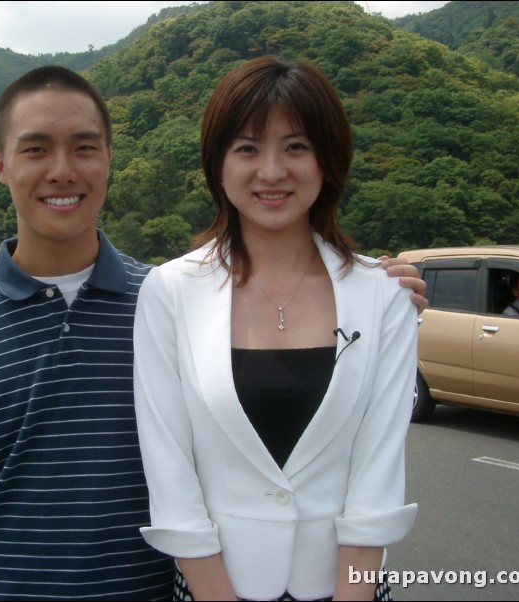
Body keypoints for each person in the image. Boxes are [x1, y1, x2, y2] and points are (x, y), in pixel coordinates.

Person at [0, 65, 427, 601]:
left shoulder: (154, 293)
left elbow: (375, 475)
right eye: (36, 149)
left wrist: (383, 290)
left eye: (83, 148)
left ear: (108, 158)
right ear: (0, 164)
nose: (62, 170)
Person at [133, 57, 419, 601]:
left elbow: (378, 476)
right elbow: (170, 470)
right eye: (247, 149)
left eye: (296, 147)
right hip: (214, 585)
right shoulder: (170, 292)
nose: (271, 171)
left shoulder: (384, 296)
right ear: (217, 164)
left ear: (328, 160)